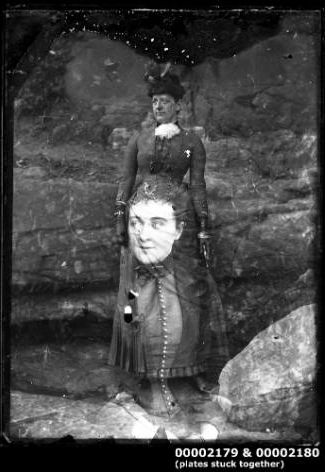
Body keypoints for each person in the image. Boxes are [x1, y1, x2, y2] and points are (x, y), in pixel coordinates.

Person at [109, 62, 229, 417]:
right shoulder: (138, 140)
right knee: (139, 295)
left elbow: (199, 186)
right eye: (155, 101)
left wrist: (204, 226)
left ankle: (189, 372)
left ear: (179, 105)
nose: (158, 106)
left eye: (164, 101)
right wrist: (119, 220)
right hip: (142, 223)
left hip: (181, 225)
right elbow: (125, 181)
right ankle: (140, 376)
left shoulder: (192, 143)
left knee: (188, 294)